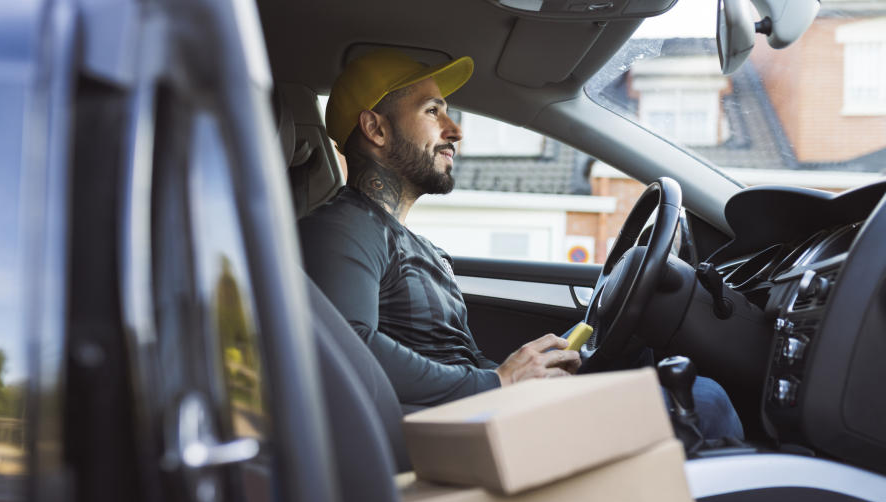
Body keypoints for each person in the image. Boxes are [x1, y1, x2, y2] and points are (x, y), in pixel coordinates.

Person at [299, 49, 743, 440]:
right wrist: (498, 382)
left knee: (645, 361)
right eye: (433, 111)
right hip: (461, 433)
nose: (455, 130)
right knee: (705, 401)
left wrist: (545, 361)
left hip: (486, 413)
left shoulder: (415, 244)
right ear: (375, 129)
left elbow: (452, 356)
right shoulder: (344, 225)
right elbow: (350, 348)